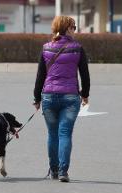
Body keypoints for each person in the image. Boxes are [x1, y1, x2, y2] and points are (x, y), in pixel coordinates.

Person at [33, 16, 90, 183]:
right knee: (64, 133)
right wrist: (85, 94)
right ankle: (64, 171)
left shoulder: (46, 48)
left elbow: (40, 76)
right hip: (70, 97)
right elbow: (85, 75)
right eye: (73, 27)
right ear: (66, 28)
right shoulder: (77, 49)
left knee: (52, 134)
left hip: (49, 97)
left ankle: (54, 170)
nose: (75, 30)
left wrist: (37, 98)